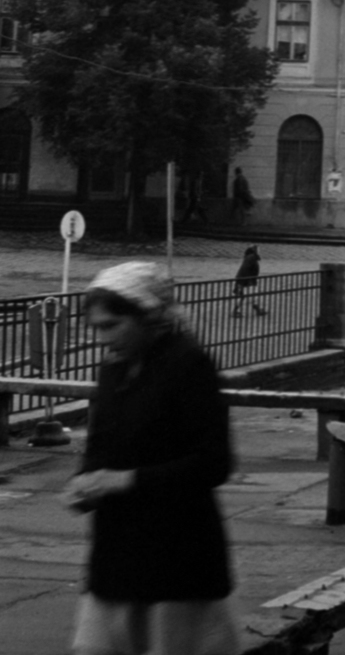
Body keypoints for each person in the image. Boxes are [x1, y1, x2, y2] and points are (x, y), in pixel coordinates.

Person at [65, 261, 239, 655]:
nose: (102, 338)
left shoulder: (187, 364)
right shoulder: (113, 370)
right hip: (117, 555)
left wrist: (125, 480)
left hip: (176, 558)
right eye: (96, 327)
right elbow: (102, 445)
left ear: (147, 317)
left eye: (111, 325)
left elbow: (213, 463)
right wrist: (83, 484)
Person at [232, 244, 266, 317]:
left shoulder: (250, 257)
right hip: (246, 281)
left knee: (246, 296)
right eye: (258, 250)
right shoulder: (252, 257)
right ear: (255, 250)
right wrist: (249, 281)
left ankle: (257, 309)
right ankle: (235, 311)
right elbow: (246, 270)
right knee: (250, 295)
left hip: (245, 280)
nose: (259, 251)